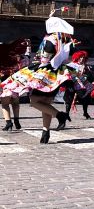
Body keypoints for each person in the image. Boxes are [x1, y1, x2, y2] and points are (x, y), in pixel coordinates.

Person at [0, 15, 78, 143]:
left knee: (34, 101)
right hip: (58, 73)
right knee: (46, 103)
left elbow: (45, 58)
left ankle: (60, 115)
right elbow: (68, 58)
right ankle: (45, 132)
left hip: (46, 73)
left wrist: (41, 60)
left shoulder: (51, 39)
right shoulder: (66, 39)